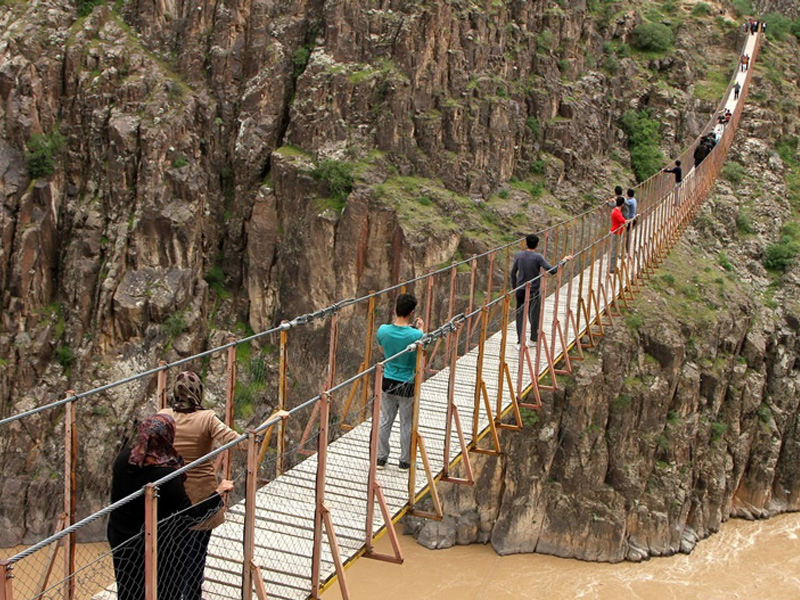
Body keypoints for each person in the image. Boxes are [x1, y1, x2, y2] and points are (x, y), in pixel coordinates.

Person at [107, 414, 233, 600]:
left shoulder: (124, 459)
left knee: (129, 591)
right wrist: (218, 493)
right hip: (161, 548)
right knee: (165, 592)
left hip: (123, 541)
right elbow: (191, 517)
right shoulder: (166, 476)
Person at [159, 372, 242, 600]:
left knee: (172, 556)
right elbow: (236, 442)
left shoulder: (163, 416)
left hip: (169, 499)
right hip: (202, 498)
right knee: (195, 557)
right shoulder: (207, 418)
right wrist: (266, 427)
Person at [376, 293, 425, 471]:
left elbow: (383, 350)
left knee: (385, 420)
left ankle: (381, 458)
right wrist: (421, 330)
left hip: (388, 381)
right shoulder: (417, 335)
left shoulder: (382, 330)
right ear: (412, 312)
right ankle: (405, 461)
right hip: (407, 383)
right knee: (406, 423)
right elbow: (420, 356)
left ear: (396, 308)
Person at [510, 234, 572, 348]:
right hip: (533, 291)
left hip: (520, 290)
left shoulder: (518, 255)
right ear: (537, 244)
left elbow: (513, 272)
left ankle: (520, 342)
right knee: (534, 315)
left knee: (520, 315)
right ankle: (533, 339)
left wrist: (515, 287)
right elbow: (552, 271)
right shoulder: (537, 257)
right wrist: (564, 260)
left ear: (525, 243)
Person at [609, 196, 629, 274]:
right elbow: (623, 220)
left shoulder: (615, 210)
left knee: (615, 249)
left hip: (616, 232)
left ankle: (612, 266)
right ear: (623, 204)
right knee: (614, 250)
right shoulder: (617, 212)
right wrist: (629, 220)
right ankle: (612, 268)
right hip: (615, 233)